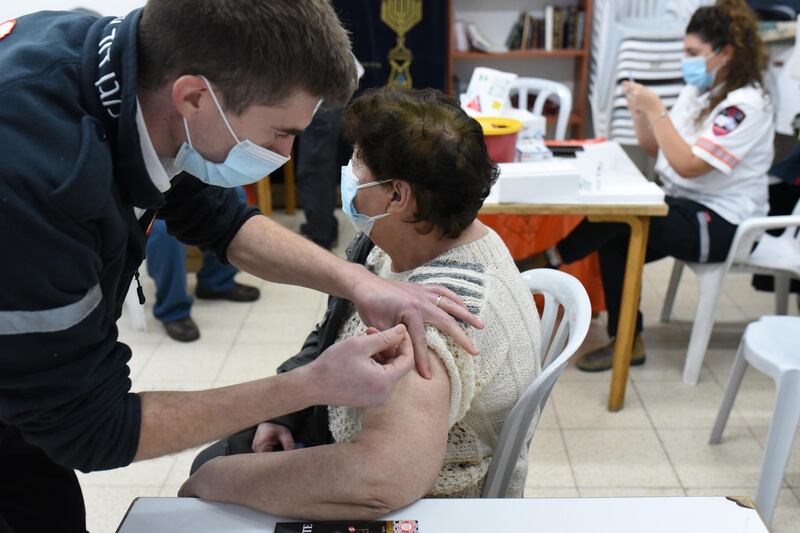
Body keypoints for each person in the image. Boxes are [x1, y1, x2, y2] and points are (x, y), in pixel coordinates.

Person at [0, 3, 484, 532]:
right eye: (279, 132)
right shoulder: (36, 182)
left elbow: (220, 219)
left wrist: (360, 281)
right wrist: (309, 386)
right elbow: (92, 428)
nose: (286, 151)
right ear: (194, 98)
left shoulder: (131, 68)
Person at [181, 87, 543, 518]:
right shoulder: (397, 244)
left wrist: (215, 481)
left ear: (397, 195)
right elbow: (331, 331)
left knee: (210, 474)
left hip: (424, 505)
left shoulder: (432, 317)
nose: (348, 172)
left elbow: (381, 479)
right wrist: (289, 413)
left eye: (357, 163)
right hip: (339, 428)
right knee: (223, 456)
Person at [515, 0, 774, 372]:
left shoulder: (744, 105)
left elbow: (688, 165)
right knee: (618, 230)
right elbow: (657, 149)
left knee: (623, 219)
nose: (686, 60)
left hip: (724, 224)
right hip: (686, 204)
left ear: (726, 53)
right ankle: (626, 339)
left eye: (693, 53)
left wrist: (656, 110)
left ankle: (549, 260)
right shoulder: (698, 93)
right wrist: (640, 114)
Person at [145, 186, 260, 342]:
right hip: (140, 193)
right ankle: (172, 310)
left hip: (176, 183)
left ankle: (217, 282)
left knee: (234, 194)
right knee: (162, 229)